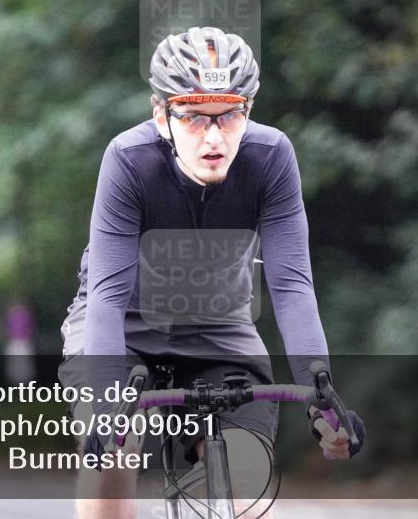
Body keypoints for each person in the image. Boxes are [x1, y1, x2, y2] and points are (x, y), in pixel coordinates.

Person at [58, 26, 364, 519]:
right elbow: (107, 298)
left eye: (230, 114)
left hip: (220, 328)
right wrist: (107, 399)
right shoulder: (128, 160)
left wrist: (321, 387)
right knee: (114, 461)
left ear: (248, 110)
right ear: (162, 115)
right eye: (195, 117)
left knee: (248, 473)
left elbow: (290, 285)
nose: (215, 136)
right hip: (125, 325)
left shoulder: (271, 157)